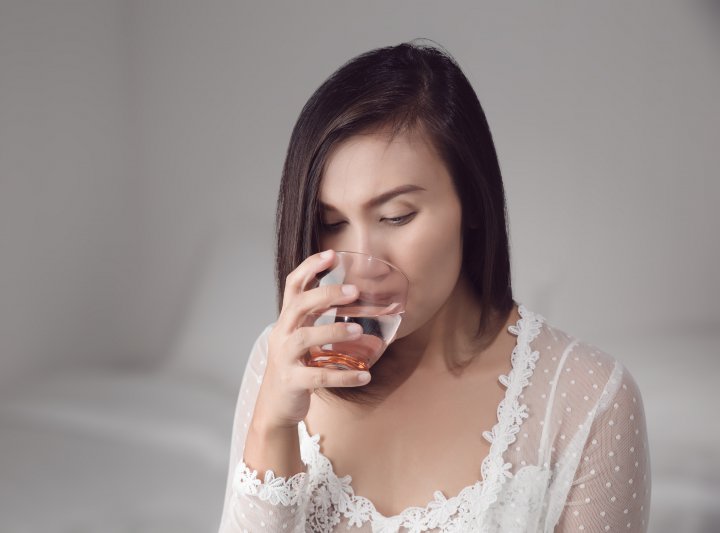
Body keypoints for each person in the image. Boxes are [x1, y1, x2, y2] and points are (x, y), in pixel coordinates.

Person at [217, 40, 650, 533]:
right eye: (331, 222)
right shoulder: (281, 362)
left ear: (471, 202)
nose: (363, 262)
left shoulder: (589, 401)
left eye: (396, 216)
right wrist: (271, 426)